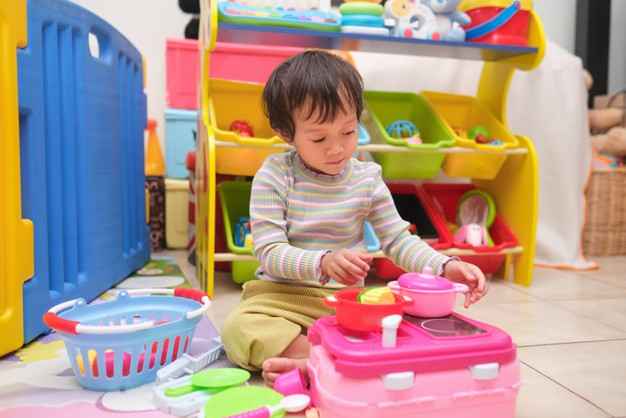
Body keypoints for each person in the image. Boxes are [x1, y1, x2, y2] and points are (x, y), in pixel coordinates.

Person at [221, 50, 488, 385]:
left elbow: (397, 240)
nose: (336, 148)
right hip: (279, 297)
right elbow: (269, 252)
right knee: (238, 328)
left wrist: (445, 266)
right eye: (319, 138)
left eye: (348, 132)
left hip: (345, 305)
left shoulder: (367, 178)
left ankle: (317, 359)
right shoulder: (274, 175)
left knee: (400, 323)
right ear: (286, 133)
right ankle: (322, 359)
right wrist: (323, 262)